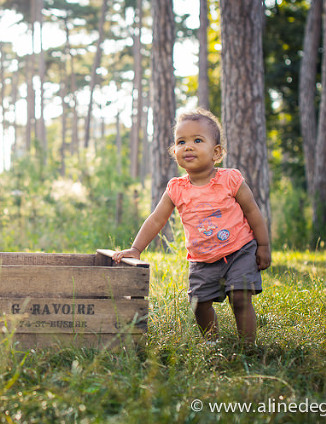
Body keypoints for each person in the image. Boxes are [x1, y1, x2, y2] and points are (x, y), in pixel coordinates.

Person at [113, 108, 271, 344]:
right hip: (202, 260)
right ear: (174, 151)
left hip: (240, 250)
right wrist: (136, 249)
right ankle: (212, 342)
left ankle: (248, 346)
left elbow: (252, 212)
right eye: (181, 141)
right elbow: (156, 219)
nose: (188, 146)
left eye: (198, 140)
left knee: (240, 298)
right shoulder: (176, 188)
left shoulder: (230, 180)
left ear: (216, 152)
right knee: (199, 304)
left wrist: (264, 245)